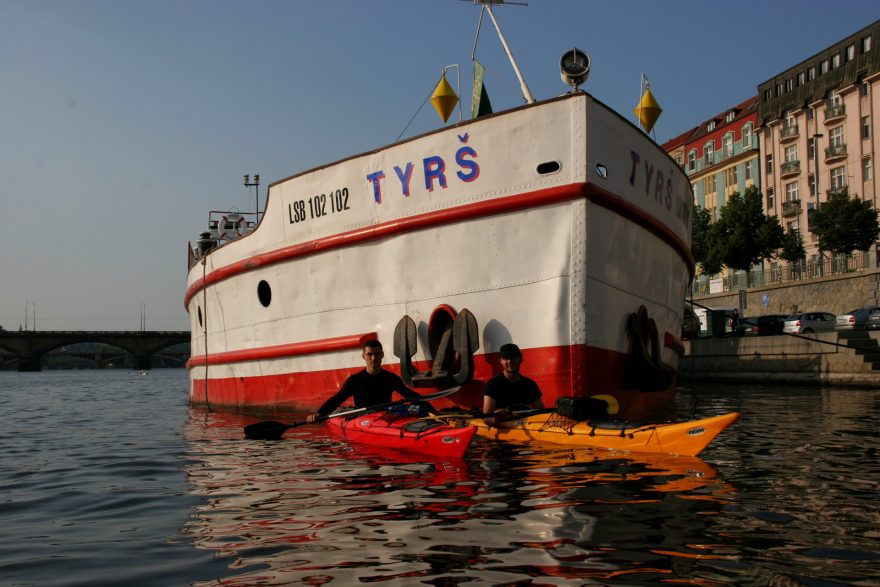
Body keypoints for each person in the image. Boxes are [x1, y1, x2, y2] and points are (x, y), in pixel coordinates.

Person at [306, 339, 426, 422]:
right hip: (363, 418)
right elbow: (337, 399)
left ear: (382, 355)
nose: (373, 358)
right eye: (369, 354)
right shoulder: (354, 380)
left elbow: (410, 395)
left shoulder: (391, 378)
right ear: (363, 356)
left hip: (385, 416)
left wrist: (431, 409)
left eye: (377, 354)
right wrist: (319, 414)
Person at [482, 343, 544, 426]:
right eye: (506, 358)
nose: (509, 361)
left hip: (529, 427)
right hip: (505, 429)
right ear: (501, 361)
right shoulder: (492, 384)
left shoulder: (530, 384)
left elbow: (542, 412)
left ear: (521, 359)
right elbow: (486, 418)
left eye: (513, 357)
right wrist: (497, 418)